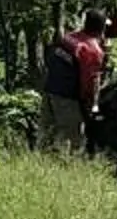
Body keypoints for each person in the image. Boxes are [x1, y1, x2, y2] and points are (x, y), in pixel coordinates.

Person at [41, 10, 111, 152]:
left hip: (49, 91)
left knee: (45, 136)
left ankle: (37, 163)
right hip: (67, 99)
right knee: (74, 141)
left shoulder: (68, 38)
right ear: (101, 28)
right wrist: (92, 105)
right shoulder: (92, 50)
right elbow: (90, 82)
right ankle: (67, 169)